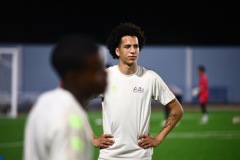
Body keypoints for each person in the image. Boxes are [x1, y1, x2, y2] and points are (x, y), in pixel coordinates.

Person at [91, 22, 184, 160]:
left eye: (136, 46)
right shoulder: (104, 78)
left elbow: (177, 110)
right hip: (109, 156)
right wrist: (93, 139)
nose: (133, 50)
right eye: (127, 47)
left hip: (141, 156)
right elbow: (75, 106)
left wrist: (158, 139)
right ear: (117, 51)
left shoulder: (150, 78)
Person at [23, 34, 107, 160]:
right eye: (97, 70)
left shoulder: (45, 101)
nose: (105, 74)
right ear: (73, 77)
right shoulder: (70, 117)